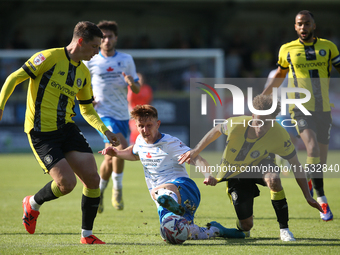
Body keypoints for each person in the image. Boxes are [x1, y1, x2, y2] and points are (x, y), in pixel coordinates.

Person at [0, 21, 119, 244]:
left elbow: (86, 108)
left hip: (67, 129)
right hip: (41, 133)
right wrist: (0, 106)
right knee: (67, 184)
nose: (97, 52)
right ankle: (32, 203)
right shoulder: (48, 58)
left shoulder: (83, 72)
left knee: (93, 179)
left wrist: (105, 130)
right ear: (81, 41)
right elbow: (13, 78)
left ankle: (87, 235)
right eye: (94, 47)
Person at [179, 95, 322, 241]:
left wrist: (307, 196)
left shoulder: (279, 135)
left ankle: (284, 229)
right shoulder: (236, 124)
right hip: (236, 173)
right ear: (253, 115)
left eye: (266, 122)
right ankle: (238, 226)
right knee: (246, 226)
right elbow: (216, 130)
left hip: (262, 163)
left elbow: (296, 165)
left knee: (273, 180)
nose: (261, 126)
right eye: (258, 120)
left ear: (273, 120)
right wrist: (195, 151)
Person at [99, 104, 245, 241]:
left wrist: (208, 175)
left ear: (158, 124)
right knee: (174, 234)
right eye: (141, 126)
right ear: (136, 126)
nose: (145, 130)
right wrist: (117, 153)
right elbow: (134, 152)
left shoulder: (170, 143)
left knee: (158, 192)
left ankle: (171, 202)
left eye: (149, 125)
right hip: (162, 199)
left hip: (185, 188)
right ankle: (216, 230)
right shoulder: (140, 141)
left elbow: (196, 158)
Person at [262, 10, 340, 221]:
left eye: (307, 23)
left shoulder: (329, 47)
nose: (303, 27)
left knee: (320, 160)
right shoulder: (287, 49)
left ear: (314, 26)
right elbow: (279, 74)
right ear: (295, 27)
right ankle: (322, 199)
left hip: (324, 108)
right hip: (300, 108)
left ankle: (312, 180)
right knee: (312, 147)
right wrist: (263, 96)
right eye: (299, 24)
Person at [84, 20, 140, 213]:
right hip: (103, 115)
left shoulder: (126, 59)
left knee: (110, 157)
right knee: (121, 146)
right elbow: (80, 84)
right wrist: (86, 99)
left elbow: (137, 87)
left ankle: (98, 193)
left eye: (110, 36)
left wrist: (131, 83)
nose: (106, 40)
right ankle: (118, 190)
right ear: (99, 40)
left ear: (116, 38)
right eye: (103, 37)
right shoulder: (91, 60)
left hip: (123, 115)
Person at [127, 72, 153, 145]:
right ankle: (133, 146)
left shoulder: (147, 89)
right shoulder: (130, 89)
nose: (140, 80)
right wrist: (133, 114)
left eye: (141, 78)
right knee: (136, 130)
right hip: (135, 114)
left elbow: (150, 101)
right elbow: (129, 102)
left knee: (147, 131)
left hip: (145, 114)